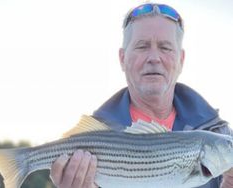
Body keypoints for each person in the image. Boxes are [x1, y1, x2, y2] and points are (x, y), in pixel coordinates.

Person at [50, 2, 233, 188]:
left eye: (165, 47)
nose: (154, 57)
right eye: (142, 46)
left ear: (181, 60)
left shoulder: (219, 134)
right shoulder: (96, 133)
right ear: (122, 59)